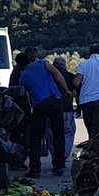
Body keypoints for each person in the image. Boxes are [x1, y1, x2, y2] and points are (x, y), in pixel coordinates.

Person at [17, 47, 71, 178]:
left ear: (19, 65)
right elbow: (56, 73)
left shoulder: (22, 77)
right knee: (58, 134)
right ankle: (59, 166)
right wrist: (66, 90)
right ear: (30, 59)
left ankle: (35, 169)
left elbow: (27, 97)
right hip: (54, 99)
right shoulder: (42, 63)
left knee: (36, 137)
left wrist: (30, 111)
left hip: (39, 105)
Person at [44, 57, 77, 164]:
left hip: (50, 109)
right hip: (66, 109)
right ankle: (63, 155)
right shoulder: (70, 76)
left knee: (50, 133)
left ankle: (55, 155)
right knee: (68, 132)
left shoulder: (47, 76)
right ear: (65, 65)